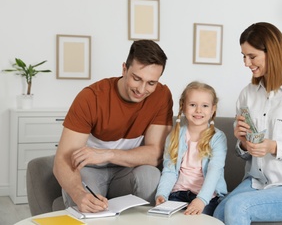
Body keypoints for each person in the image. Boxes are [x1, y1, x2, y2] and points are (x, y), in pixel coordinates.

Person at [213, 22, 282, 224]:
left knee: (237, 206)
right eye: (243, 56)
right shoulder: (247, 94)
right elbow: (244, 154)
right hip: (257, 182)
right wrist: (242, 143)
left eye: (252, 56)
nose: (246, 63)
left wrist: (273, 147)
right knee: (217, 213)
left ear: (272, 52)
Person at [53, 40, 173, 213]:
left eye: (151, 83)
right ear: (124, 69)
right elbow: (62, 160)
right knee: (84, 200)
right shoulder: (91, 97)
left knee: (150, 175)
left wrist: (106, 154)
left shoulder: (161, 96)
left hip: (127, 170)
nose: (141, 89)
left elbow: (155, 155)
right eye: (136, 78)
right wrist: (79, 194)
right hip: (89, 169)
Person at [155, 81, 228, 216]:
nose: (198, 110)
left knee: (197, 220)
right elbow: (169, 170)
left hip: (208, 197)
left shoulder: (217, 138)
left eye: (205, 106)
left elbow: (214, 170)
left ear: (213, 109)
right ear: (183, 107)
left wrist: (201, 199)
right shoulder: (174, 136)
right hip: (177, 194)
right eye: (193, 105)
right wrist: (162, 194)